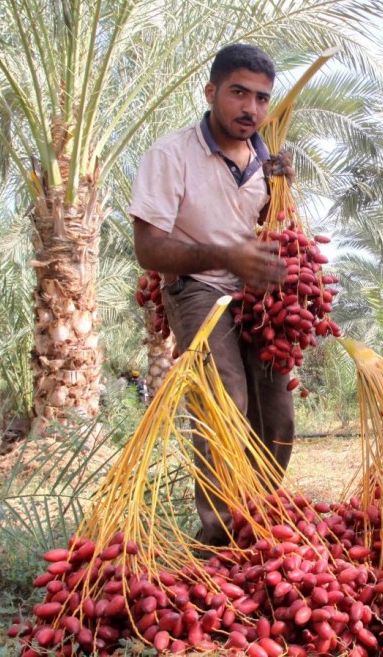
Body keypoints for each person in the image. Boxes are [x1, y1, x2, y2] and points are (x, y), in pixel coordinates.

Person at [130, 44, 294, 547]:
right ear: (211, 92)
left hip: (256, 296)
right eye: (238, 93)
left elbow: (280, 232)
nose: (250, 108)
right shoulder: (171, 153)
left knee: (278, 415)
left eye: (262, 98)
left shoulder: (270, 164)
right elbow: (148, 248)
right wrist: (227, 255)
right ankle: (220, 537)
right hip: (196, 288)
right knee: (226, 400)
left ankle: (254, 520)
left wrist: (286, 191)